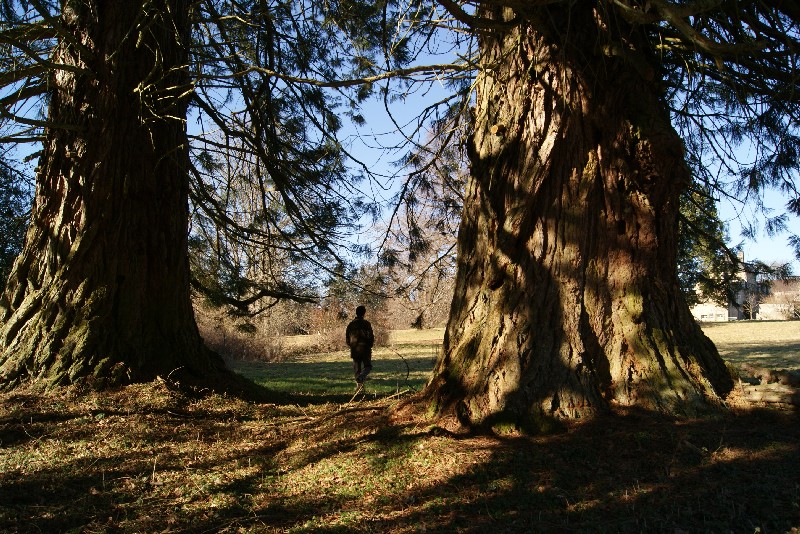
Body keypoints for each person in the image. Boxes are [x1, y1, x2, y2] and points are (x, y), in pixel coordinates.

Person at [345, 305, 374, 385]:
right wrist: (369, 345)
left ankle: (359, 387)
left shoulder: (351, 324)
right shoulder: (366, 324)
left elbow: (347, 338)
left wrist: (352, 346)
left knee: (357, 370)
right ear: (364, 313)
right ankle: (362, 377)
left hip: (355, 349)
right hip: (365, 349)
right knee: (368, 366)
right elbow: (370, 336)